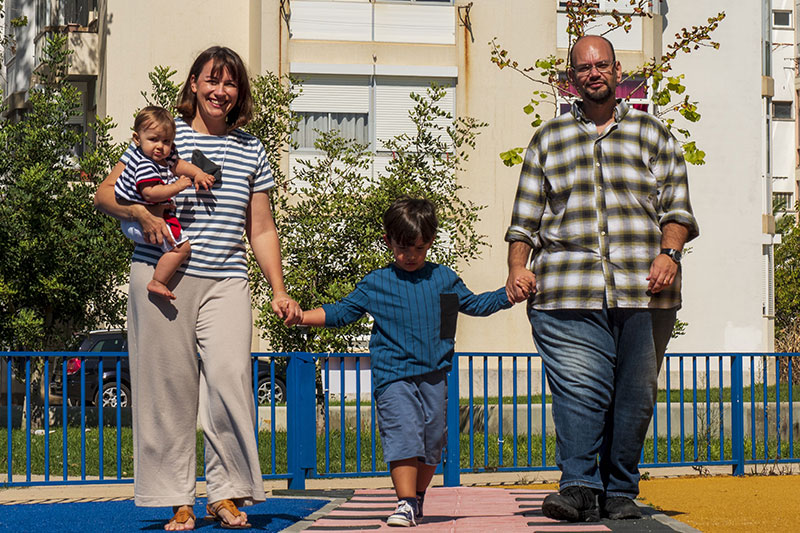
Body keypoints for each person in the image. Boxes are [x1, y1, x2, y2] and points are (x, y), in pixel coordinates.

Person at [94, 46, 301, 531]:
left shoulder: (252, 149)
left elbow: (263, 228)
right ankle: (178, 499)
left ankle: (226, 493)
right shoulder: (167, 136)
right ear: (193, 84)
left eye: (229, 84)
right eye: (211, 81)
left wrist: (279, 287)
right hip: (161, 277)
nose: (220, 91)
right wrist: (138, 213)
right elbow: (105, 194)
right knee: (168, 390)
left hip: (227, 277)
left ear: (238, 92)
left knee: (230, 379)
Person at [504, 35, 699, 523]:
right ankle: (577, 486)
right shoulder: (547, 140)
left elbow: (677, 207)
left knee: (635, 397)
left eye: (603, 65)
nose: (594, 73)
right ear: (572, 78)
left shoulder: (654, 134)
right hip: (566, 289)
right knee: (580, 387)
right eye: (583, 67)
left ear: (617, 72)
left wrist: (669, 252)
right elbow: (524, 218)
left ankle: (618, 489)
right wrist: (516, 267)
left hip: (646, 289)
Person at [297, 197, 517, 527]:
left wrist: (508, 294)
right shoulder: (376, 284)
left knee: (432, 441)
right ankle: (404, 502)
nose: (410, 256)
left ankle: (416, 498)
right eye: (402, 248)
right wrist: (301, 316)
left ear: (430, 241)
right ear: (387, 241)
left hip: (434, 374)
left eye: (418, 247)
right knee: (403, 433)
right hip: (393, 375)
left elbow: (474, 305)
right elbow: (342, 312)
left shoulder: (443, 280)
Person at [114, 106, 216, 300]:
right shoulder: (144, 163)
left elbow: (178, 164)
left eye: (166, 141)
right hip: (139, 220)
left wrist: (197, 173)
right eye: (153, 140)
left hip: (147, 214)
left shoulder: (159, 157)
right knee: (181, 248)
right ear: (137, 139)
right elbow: (150, 193)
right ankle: (158, 281)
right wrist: (178, 186)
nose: (160, 146)